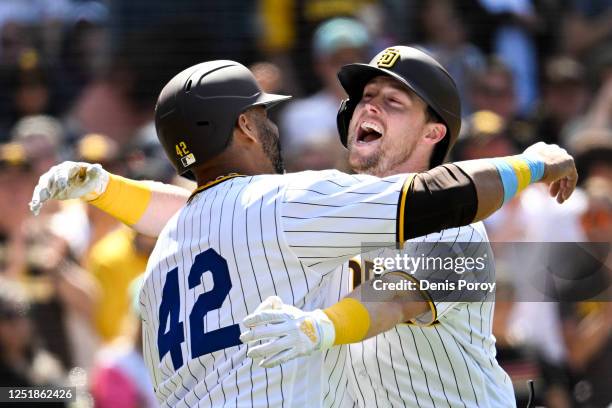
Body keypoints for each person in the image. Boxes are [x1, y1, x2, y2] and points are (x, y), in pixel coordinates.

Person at [29, 57, 577, 406]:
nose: (368, 106)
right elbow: (217, 214)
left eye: (393, 101)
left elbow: (397, 298)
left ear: (435, 131)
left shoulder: (457, 228)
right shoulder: (303, 211)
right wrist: (106, 189)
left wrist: (319, 327)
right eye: (364, 97)